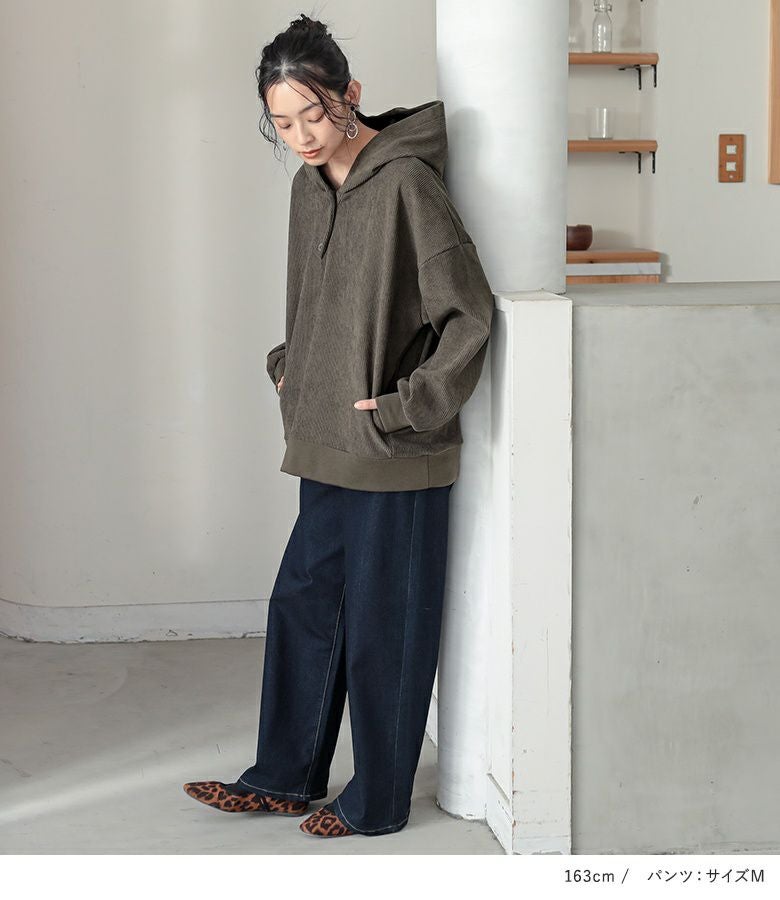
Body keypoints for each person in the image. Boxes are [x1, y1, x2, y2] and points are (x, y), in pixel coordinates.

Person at [183, 12, 494, 839]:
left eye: (312, 115)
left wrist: (404, 407)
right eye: (283, 124)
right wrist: (291, 366)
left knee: (387, 627)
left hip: (395, 448)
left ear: (350, 94)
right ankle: (284, 777)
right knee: (304, 602)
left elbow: (469, 317)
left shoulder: (407, 185)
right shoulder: (307, 188)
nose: (301, 137)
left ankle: (376, 801)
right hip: (324, 437)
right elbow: (313, 301)